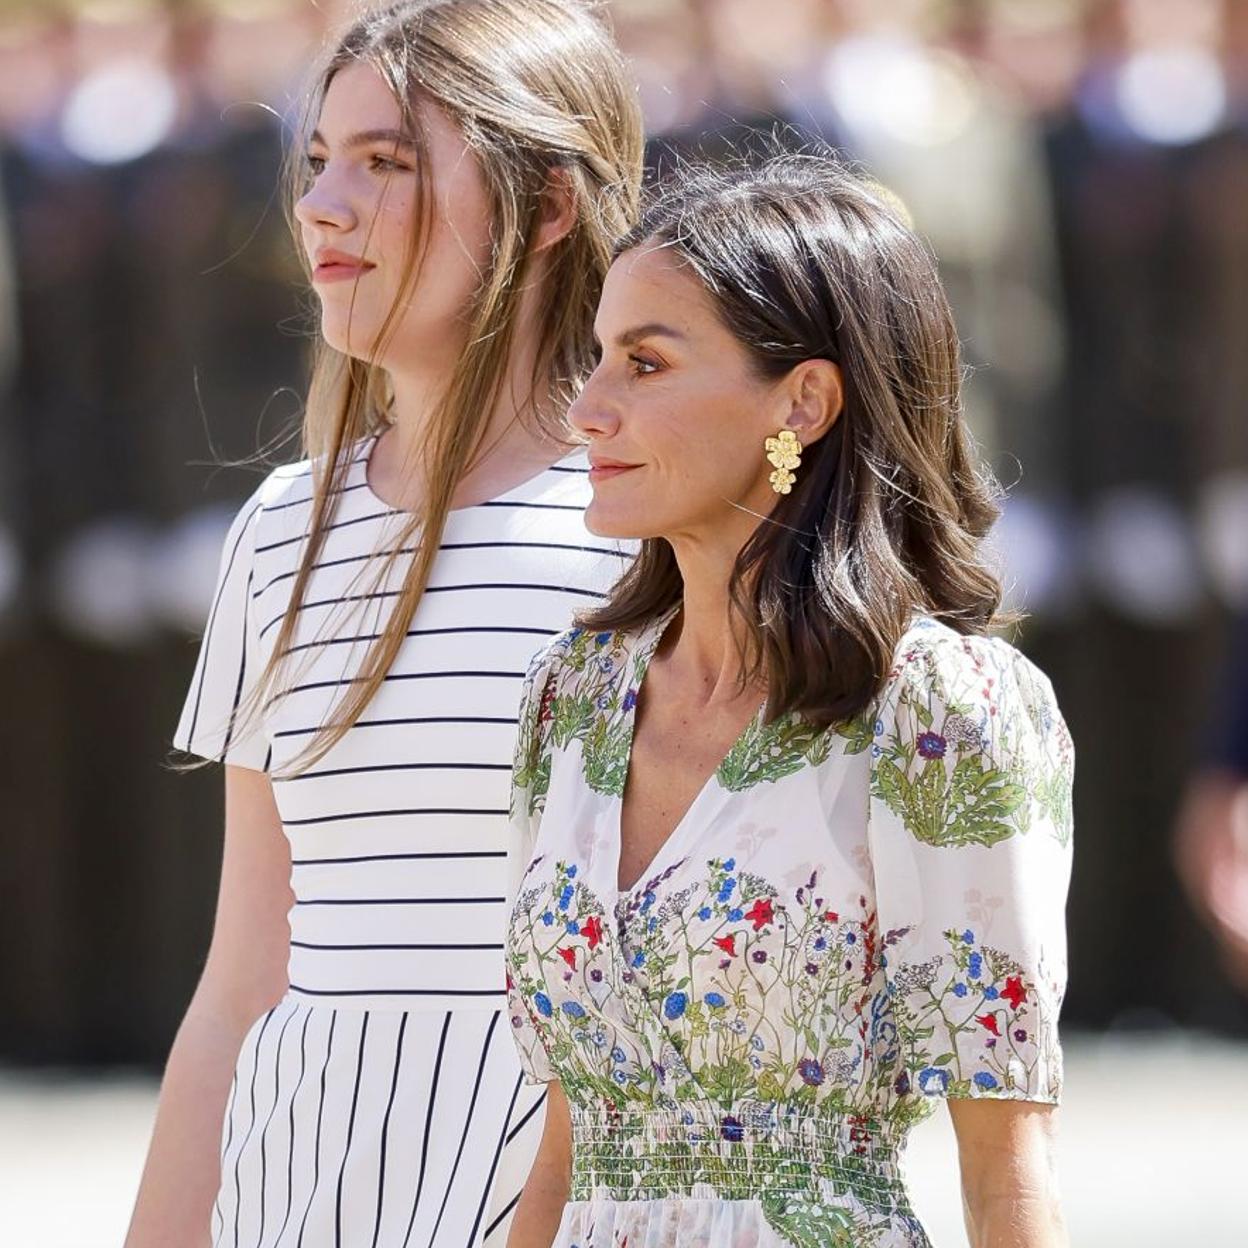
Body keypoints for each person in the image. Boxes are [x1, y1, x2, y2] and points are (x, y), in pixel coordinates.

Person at [125, 3, 643, 1246]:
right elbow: (245, 971)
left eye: (387, 161)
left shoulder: (650, 531)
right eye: (317, 161)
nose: (320, 206)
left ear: (553, 204)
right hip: (296, 1190)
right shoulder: (280, 529)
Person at [504, 154, 1075, 1248]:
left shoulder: (939, 711)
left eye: (644, 364)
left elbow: (1007, 1160)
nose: (586, 411)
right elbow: (567, 1137)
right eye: (593, 362)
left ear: (803, 402)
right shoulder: (569, 700)